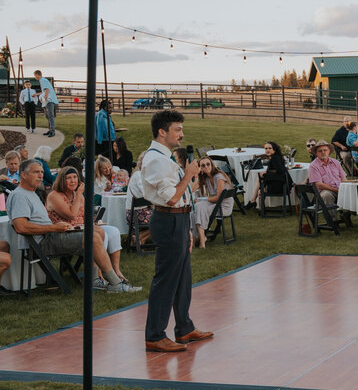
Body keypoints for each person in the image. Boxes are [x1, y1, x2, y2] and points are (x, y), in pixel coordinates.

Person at [7, 160, 138, 293]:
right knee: (92, 237)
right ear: (23, 175)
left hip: (51, 236)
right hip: (43, 242)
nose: (41, 175)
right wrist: (53, 228)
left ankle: (95, 280)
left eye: (41, 172)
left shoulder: (31, 193)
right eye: (36, 172)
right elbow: (21, 227)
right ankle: (115, 284)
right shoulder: (20, 196)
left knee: (96, 232)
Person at [142, 110, 210, 352]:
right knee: (166, 280)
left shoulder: (166, 158)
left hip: (179, 220)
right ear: (162, 132)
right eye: (177, 129)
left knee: (183, 278)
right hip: (167, 219)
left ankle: (184, 327)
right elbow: (171, 197)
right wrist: (190, 175)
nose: (182, 134)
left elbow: (179, 196)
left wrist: (187, 226)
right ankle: (154, 334)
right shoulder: (156, 160)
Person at [46, 166, 131, 286]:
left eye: (75, 177)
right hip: (63, 232)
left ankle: (102, 275)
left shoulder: (77, 195)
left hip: (80, 228)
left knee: (108, 231)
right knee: (96, 235)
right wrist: (79, 194)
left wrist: (93, 220)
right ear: (61, 180)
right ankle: (99, 277)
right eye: (68, 178)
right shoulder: (55, 196)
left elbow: (85, 216)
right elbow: (71, 215)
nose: (73, 181)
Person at [191, 156, 233, 249]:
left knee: (199, 207)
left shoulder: (219, 177)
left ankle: (200, 240)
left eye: (208, 164)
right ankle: (199, 239)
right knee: (196, 207)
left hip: (224, 207)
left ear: (212, 164)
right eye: (203, 165)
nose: (206, 167)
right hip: (215, 204)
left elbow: (218, 198)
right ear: (200, 168)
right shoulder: (205, 178)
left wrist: (201, 199)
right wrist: (197, 174)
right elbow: (192, 189)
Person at [247, 141, 288, 209]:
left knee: (260, 186)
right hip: (282, 184)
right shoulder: (276, 157)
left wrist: (266, 172)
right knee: (260, 181)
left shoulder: (275, 159)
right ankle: (253, 202)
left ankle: (254, 203)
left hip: (280, 186)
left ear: (274, 149)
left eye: (269, 148)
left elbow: (279, 170)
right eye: (266, 148)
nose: (267, 150)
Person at [307, 140, 346, 209]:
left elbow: (343, 178)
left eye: (325, 150)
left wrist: (346, 188)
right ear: (316, 153)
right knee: (326, 195)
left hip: (340, 189)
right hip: (326, 191)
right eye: (320, 151)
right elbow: (319, 185)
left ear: (329, 151)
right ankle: (332, 219)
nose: (323, 152)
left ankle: (346, 215)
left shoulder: (336, 162)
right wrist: (336, 190)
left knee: (352, 191)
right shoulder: (313, 166)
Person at [34, 70, 58, 137]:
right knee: (48, 116)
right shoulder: (44, 80)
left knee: (50, 116)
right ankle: (50, 130)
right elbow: (44, 91)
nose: (35, 77)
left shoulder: (42, 80)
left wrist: (44, 99)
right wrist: (36, 94)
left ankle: (52, 131)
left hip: (49, 101)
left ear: (37, 75)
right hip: (48, 101)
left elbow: (47, 90)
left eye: (35, 76)